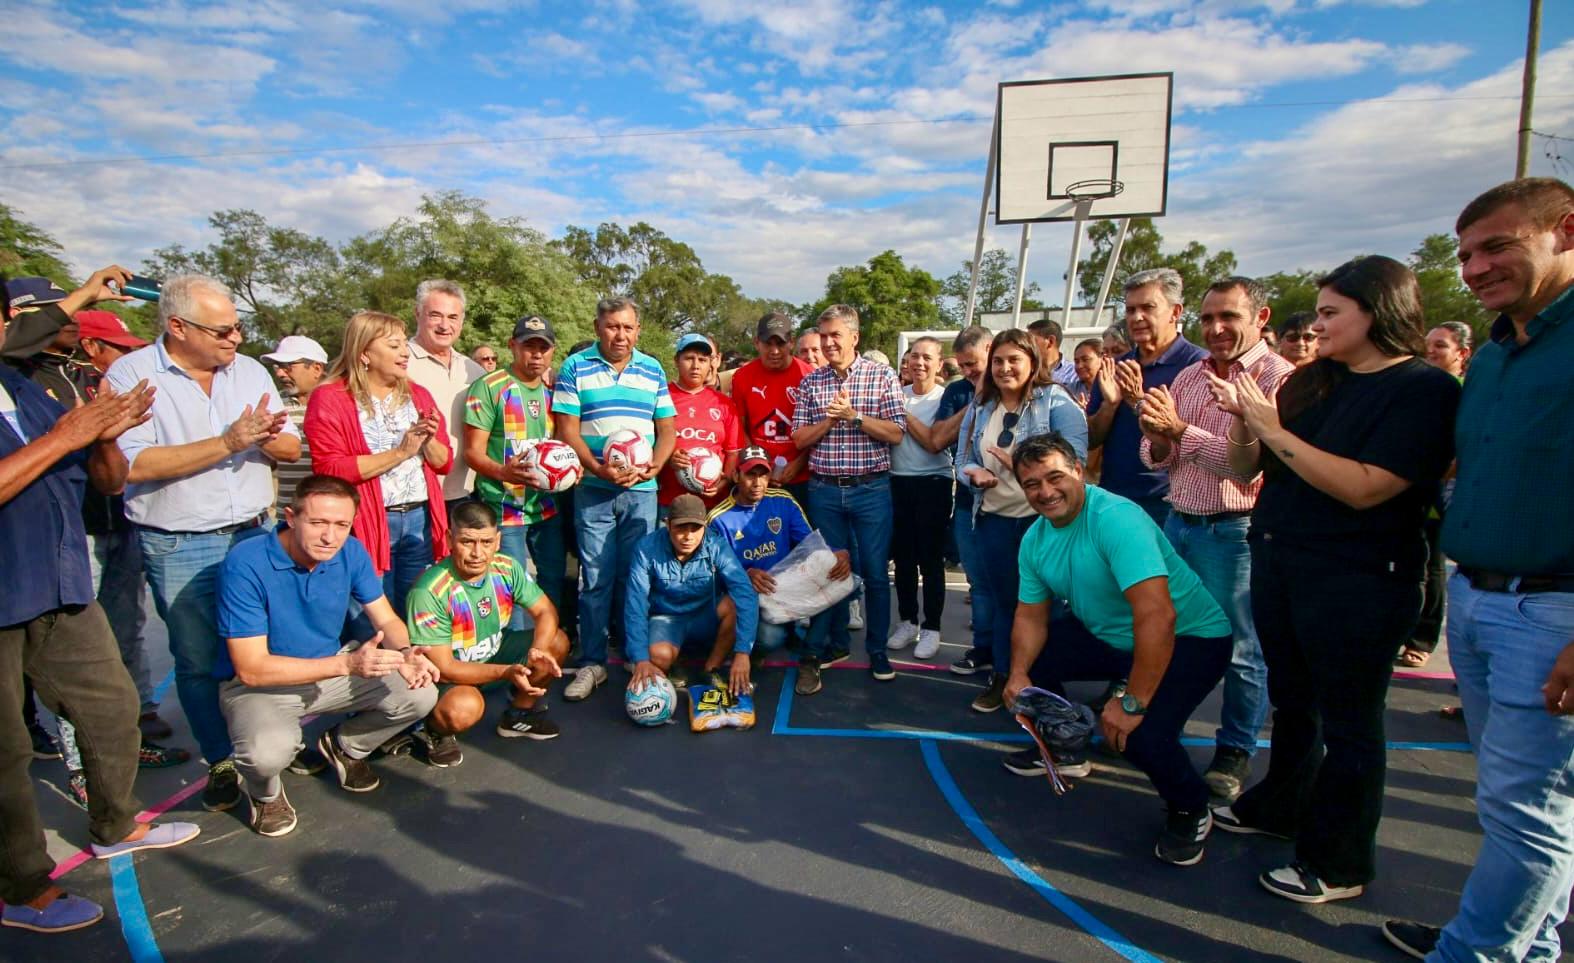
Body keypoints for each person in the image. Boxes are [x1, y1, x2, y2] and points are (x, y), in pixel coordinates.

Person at [1205, 255, 1459, 904]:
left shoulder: (1422, 390)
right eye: (1315, 313)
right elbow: (1243, 468)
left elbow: (1365, 487)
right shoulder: (1309, 382)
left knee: (1350, 720)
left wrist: (1266, 426)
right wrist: (1243, 418)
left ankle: (1340, 859)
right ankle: (1282, 804)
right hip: (1283, 558)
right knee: (1295, 702)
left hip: (1361, 576)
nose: (1316, 327)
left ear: (1378, 310)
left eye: (1329, 313)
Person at [1382, 178, 1574, 962]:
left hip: (1554, 608)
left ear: (1564, 231)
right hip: (1482, 595)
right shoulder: (1496, 354)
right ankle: (1521, 946)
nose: (1474, 267)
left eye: (1497, 246)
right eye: (1465, 253)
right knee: (1517, 806)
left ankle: (1476, 951)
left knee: (1528, 809)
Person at [0, 267, 198, 936]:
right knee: (6, 752)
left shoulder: (24, 390)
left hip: (55, 587)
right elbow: (55, 450)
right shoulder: (42, 410)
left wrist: (108, 431)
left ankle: (115, 824)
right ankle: (23, 886)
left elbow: (106, 480)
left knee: (112, 706)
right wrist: (69, 435)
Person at [105, 273, 301, 812]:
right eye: (222, 331)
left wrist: (269, 438)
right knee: (197, 659)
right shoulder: (132, 376)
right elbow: (133, 464)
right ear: (176, 326)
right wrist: (227, 443)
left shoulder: (250, 371)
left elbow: (287, 442)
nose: (235, 339)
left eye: (238, 327)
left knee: (261, 647)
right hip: (179, 542)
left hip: (253, 534)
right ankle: (219, 759)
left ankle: (268, 749)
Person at [1002, 433, 1233, 866]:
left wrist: (1132, 700)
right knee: (1030, 666)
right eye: (1032, 484)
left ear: (1078, 470)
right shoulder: (1034, 539)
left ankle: (1192, 806)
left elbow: (1157, 617)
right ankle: (1065, 746)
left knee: (1139, 734)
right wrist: (1017, 675)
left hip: (1192, 638)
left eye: (1055, 477)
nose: (1045, 492)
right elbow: (1030, 617)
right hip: (1116, 637)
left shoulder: (1115, 519)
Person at [1137, 277, 1296, 801]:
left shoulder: (1279, 379)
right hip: (1178, 520)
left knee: (1241, 648)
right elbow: (1154, 455)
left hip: (1234, 532)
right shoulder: (1191, 374)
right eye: (1208, 319)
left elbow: (1247, 469)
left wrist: (1180, 433)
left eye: (1228, 317)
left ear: (1261, 317)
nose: (1217, 329)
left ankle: (1234, 749)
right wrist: (1161, 438)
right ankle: (1161, 726)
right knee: (1169, 630)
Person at [217, 474, 440, 838]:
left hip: (332, 668)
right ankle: (265, 794)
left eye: (341, 524)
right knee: (265, 753)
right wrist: (348, 664)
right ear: (290, 517)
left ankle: (345, 745)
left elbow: (385, 617)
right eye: (318, 522)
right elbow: (251, 668)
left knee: (420, 692)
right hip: (265, 685)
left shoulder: (349, 551)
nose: (329, 536)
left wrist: (406, 652)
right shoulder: (246, 564)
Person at [955, 328, 1088, 711]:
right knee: (1004, 604)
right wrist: (972, 476)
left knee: (1047, 607)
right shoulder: (982, 405)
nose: (1004, 368)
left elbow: (1073, 462)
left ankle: (1043, 684)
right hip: (994, 520)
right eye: (998, 360)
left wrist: (1022, 466)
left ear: (1033, 362)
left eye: (1014, 359)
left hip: (1042, 525)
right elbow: (962, 459)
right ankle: (1003, 676)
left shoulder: (1056, 402)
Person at [553, 297, 676, 700]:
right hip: (594, 489)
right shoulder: (576, 367)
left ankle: (633, 653)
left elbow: (667, 431)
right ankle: (591, 662)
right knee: (596, 577)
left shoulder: (653, 368)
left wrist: (655, 466)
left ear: (638, 329)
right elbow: (567, 428)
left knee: (634, 577)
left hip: (641, 492)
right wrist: (598, 467)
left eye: (627, 327)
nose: (619, 335)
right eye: (611, 326)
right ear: (597, 326)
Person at [305, 311, 452, 617]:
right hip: (367, 522)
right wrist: (400, 452)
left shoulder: (418, 395)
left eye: (403, 344)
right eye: (393, 345)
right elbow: (330, 470)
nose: (404, 352)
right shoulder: (330, 398)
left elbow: (444, 463)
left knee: (418, 612)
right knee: (369, 618)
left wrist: (428, 440)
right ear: (365, 354)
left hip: (419, 518)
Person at [791, 305, 907, 681]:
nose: (828, 343)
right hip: (825, 490)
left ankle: (876, 651)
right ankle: (828, 646)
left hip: (870, 489)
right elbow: (798, 438)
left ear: (854, 338)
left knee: (874, 574)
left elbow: (896, 433)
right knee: (828, 572)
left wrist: (854, 416)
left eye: (835, 335)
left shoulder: (881, 376)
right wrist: (830, 418)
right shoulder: (812, 382)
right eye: (823, 336)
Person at [406, 502, 570, 765]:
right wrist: (505, 672)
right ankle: (432, 729)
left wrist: (537, 651)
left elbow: (545, 612)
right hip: (447, 676)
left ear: (498, 541)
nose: (477, 553)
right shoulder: (429, 591)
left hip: (492, 655)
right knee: (464, 708)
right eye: (467, 542)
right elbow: (445, 668)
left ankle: (518, 715)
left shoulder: (506, 567)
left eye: (485, 542)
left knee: (556, 641)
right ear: (449, 539)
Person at [707, 447, 850, 695]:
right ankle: (756, 647)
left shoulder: (782, 501)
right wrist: (746, 573)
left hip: (788, 589)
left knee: (835, 569)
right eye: (751, 475)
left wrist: (838, 553)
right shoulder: (719, 518)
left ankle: (810, 656)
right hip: (751, 597)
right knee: (770, 637)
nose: (757, 483)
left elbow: (809, 545)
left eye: (763, 475)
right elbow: (712, 574)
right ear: (736, 475)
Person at [462, 315, 567, 628]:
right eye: (528, 346)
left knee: (551, 579)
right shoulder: (489, 387)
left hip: (546, 509)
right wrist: (504, 471)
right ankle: (516, 655)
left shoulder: (554, 393)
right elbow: (472, 453)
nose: (536, 354)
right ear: (512, 346)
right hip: (504, 509)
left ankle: (549, 646)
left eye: (543, 348)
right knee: (513, 585)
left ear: (552, 352)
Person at [1086, 268, 1208, 525]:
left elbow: (1196, 438)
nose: (1137, 317)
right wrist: (1110, 404)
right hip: (1115, 498)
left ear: (1176, 312)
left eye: (1148, 307)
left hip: (1171, 505)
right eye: (1130, 310)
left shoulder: (1199, 366)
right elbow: (1092, 439)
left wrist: (1136, 399)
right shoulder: (1114, 368)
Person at [906, 326, 992, 677]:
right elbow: (940, 436)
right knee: (976, 578)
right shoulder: (959, 392)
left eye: (974, 364)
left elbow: (933, 442)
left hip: (996, 496)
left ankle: (935, 628)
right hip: (967, 493)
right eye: (965, 365)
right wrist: (974, 402)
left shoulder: (1019, 390)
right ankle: (983, 647)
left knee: (1008, 579)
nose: (970, 371)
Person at [626, 494, 759, 698]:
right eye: (681, 528)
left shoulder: (717, 545)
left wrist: (743, 653)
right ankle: (673, 664)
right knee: (656, 657)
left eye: (695, 528)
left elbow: (745, 594)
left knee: (733, 605)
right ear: (668, 524)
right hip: (666, 619)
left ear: (704, 527)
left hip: (706, 616)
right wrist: (640, 659)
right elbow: (635, 603)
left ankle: (711, 669)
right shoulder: (646, 549)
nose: (688, 536)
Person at [1399, 321, 1474, 671]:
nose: (1431, 351)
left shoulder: (1463, 392)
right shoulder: (1420, 390)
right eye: (1428, 343)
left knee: (1433, 570)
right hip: (1412, 495)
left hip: (1443, 496)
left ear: (1462, 353)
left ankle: (1422, 639)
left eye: (1441, 345)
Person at [886, 336, 951, 660]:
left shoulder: (945, 398)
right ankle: (908, 620)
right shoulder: (898, 395)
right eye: (914, 356)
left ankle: (932, 626)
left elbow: (933, 443)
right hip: (898, 482)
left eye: (927, 357)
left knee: (930, 559)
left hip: (933, 482)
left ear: (939, 363)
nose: (919, 363)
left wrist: (900, 411)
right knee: (904, 559)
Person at [406, 280, 486, 510]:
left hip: (464, 494)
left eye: (452, 317)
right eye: (435, 315)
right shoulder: (399, 364)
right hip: (414, 499)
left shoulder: (475, 371)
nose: (444, 325)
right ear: (417, 313)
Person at [732, 312, 815, 507]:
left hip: (802, 477)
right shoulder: (743, 376)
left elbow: (818, 428)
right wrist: (760, 467)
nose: (775, 351)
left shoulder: (809, 375)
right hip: (759, 478)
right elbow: (740, 427)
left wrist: (799, 463)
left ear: (791, 342)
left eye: (781, 343)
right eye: (768, 344)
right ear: (756, 343)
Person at [661, 333, 741, 512]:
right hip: (670, 503)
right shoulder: (661, 396)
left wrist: (724, 481)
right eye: (689, 358)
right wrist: (667, 459)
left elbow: (733, 453)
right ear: (676, 360)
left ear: (711, 363)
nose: (696, 366)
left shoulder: (724, 403)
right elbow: (647, 444)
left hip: (714, 504)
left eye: (703, 360)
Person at [261, 335, 328, 518]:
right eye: (277, 367)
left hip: (331, 515)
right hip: (289, 515)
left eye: (288, 366)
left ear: (316, 368)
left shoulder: (343, 403)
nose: (280, 373)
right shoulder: (274, 405)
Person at [1027, 318, 1079, 388]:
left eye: (1032, 340)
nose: (1027, 345)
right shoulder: (1026, 371)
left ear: (1050, 341)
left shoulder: (1075, 373)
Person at [1069, 337, 1103, 409]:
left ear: (1102, 359)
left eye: (1085, 359)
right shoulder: (1068, 391)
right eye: (1076, 361)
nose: (1079, 366)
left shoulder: (1115, 390)